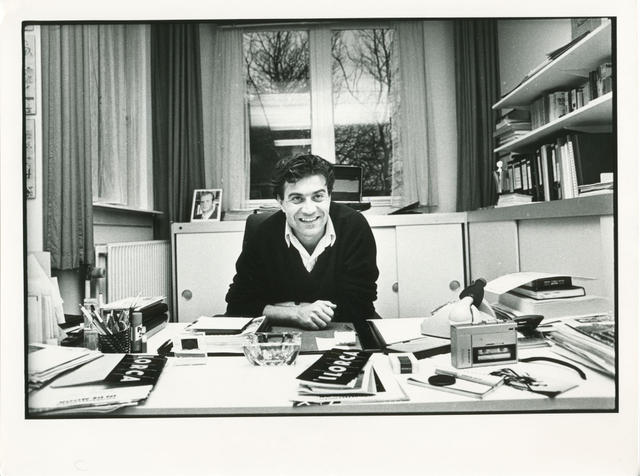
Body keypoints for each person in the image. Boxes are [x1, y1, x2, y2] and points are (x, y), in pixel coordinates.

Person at [225, 154, 379, 329]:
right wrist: (296, 313)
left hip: (341, 333)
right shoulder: (264, 234)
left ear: (329, 196)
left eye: (318, 196)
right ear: (281, 202)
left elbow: (360, 304)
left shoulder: (354, 227)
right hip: (280, 335)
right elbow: (237, 304)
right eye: (297, 198)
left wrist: (281, 308)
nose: (309, 210)